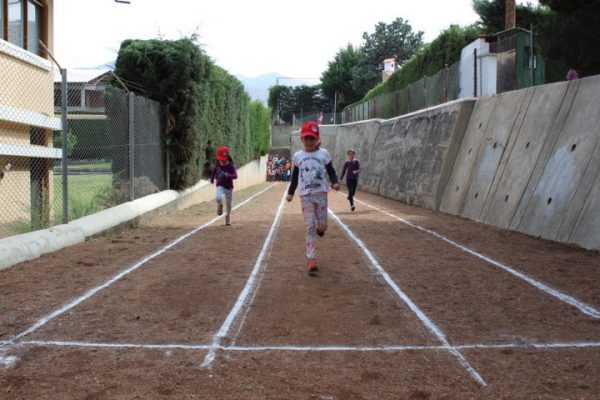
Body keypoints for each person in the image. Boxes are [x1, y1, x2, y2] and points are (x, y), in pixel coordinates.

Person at [287, 120, 340, 275]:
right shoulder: (298, 156)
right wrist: (291, 192)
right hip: (306, 196)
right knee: (310, 226)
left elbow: (331, 171)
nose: (309, 141)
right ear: (302, 139)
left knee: (322, 226)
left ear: (317, 139)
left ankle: (320, 228)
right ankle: (311, 259)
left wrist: (335, 182)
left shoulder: (323, 154)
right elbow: (295, 177)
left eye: (312, 138)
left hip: (321, 194)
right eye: (306, 138)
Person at [210, 146, 237, 226]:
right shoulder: (217, 163)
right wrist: (212, 178)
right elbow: (214, 171)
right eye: (220, 158)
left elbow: (235, 175)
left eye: (223, 159)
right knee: (218, 197)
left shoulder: (230, 166)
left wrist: (228, 175)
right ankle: (220, 204)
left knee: (228, 204)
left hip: (229, 187)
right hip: (220, 184)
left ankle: (228, 217)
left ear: (227, 157)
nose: (221, 160)